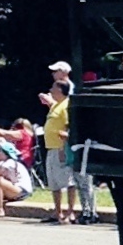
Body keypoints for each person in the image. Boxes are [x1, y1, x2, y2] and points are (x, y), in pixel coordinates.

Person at [40, 77, 77, 223]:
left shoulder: (66, 106)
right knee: (54, 183)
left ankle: (71, 212)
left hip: (60, 148)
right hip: (51, 148)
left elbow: (68, 127)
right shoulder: (56, 105)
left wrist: (63, 148)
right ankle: (58, 212)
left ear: (61, 90)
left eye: (53, 88)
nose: (50, 90)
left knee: (68, 182)